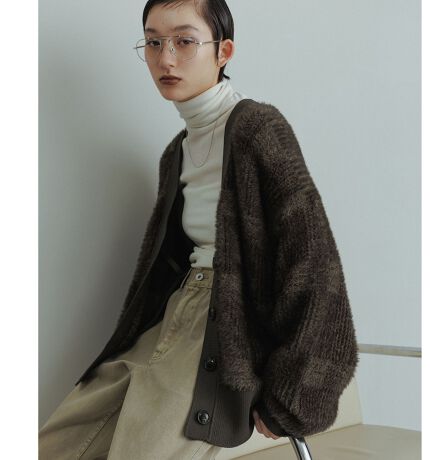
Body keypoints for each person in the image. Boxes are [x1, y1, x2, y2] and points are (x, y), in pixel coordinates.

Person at [39, 1, 359, 459]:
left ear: (223, 51)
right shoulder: (177, 152)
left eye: (185, 41)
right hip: (172, 316)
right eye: (153, 42)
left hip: (221, 331)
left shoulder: (259, 129)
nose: (166, 58)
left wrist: (293, 395)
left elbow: (313, 263)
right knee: (55, 443)